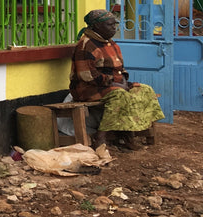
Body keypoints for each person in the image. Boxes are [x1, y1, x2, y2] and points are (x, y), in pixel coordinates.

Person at [70, 9, 164, 148]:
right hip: (88, 89)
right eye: (110, 25)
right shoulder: (86, 45)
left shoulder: (111, 43)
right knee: (119, 95)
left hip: (112, 84)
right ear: (96, 26)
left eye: (115, 24)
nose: (114, 28)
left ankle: (128, 132)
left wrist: (125, 82)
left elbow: (121, 69)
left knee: (144, 90)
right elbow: (87, 76)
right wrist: (115, 83)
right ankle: (101, 136)